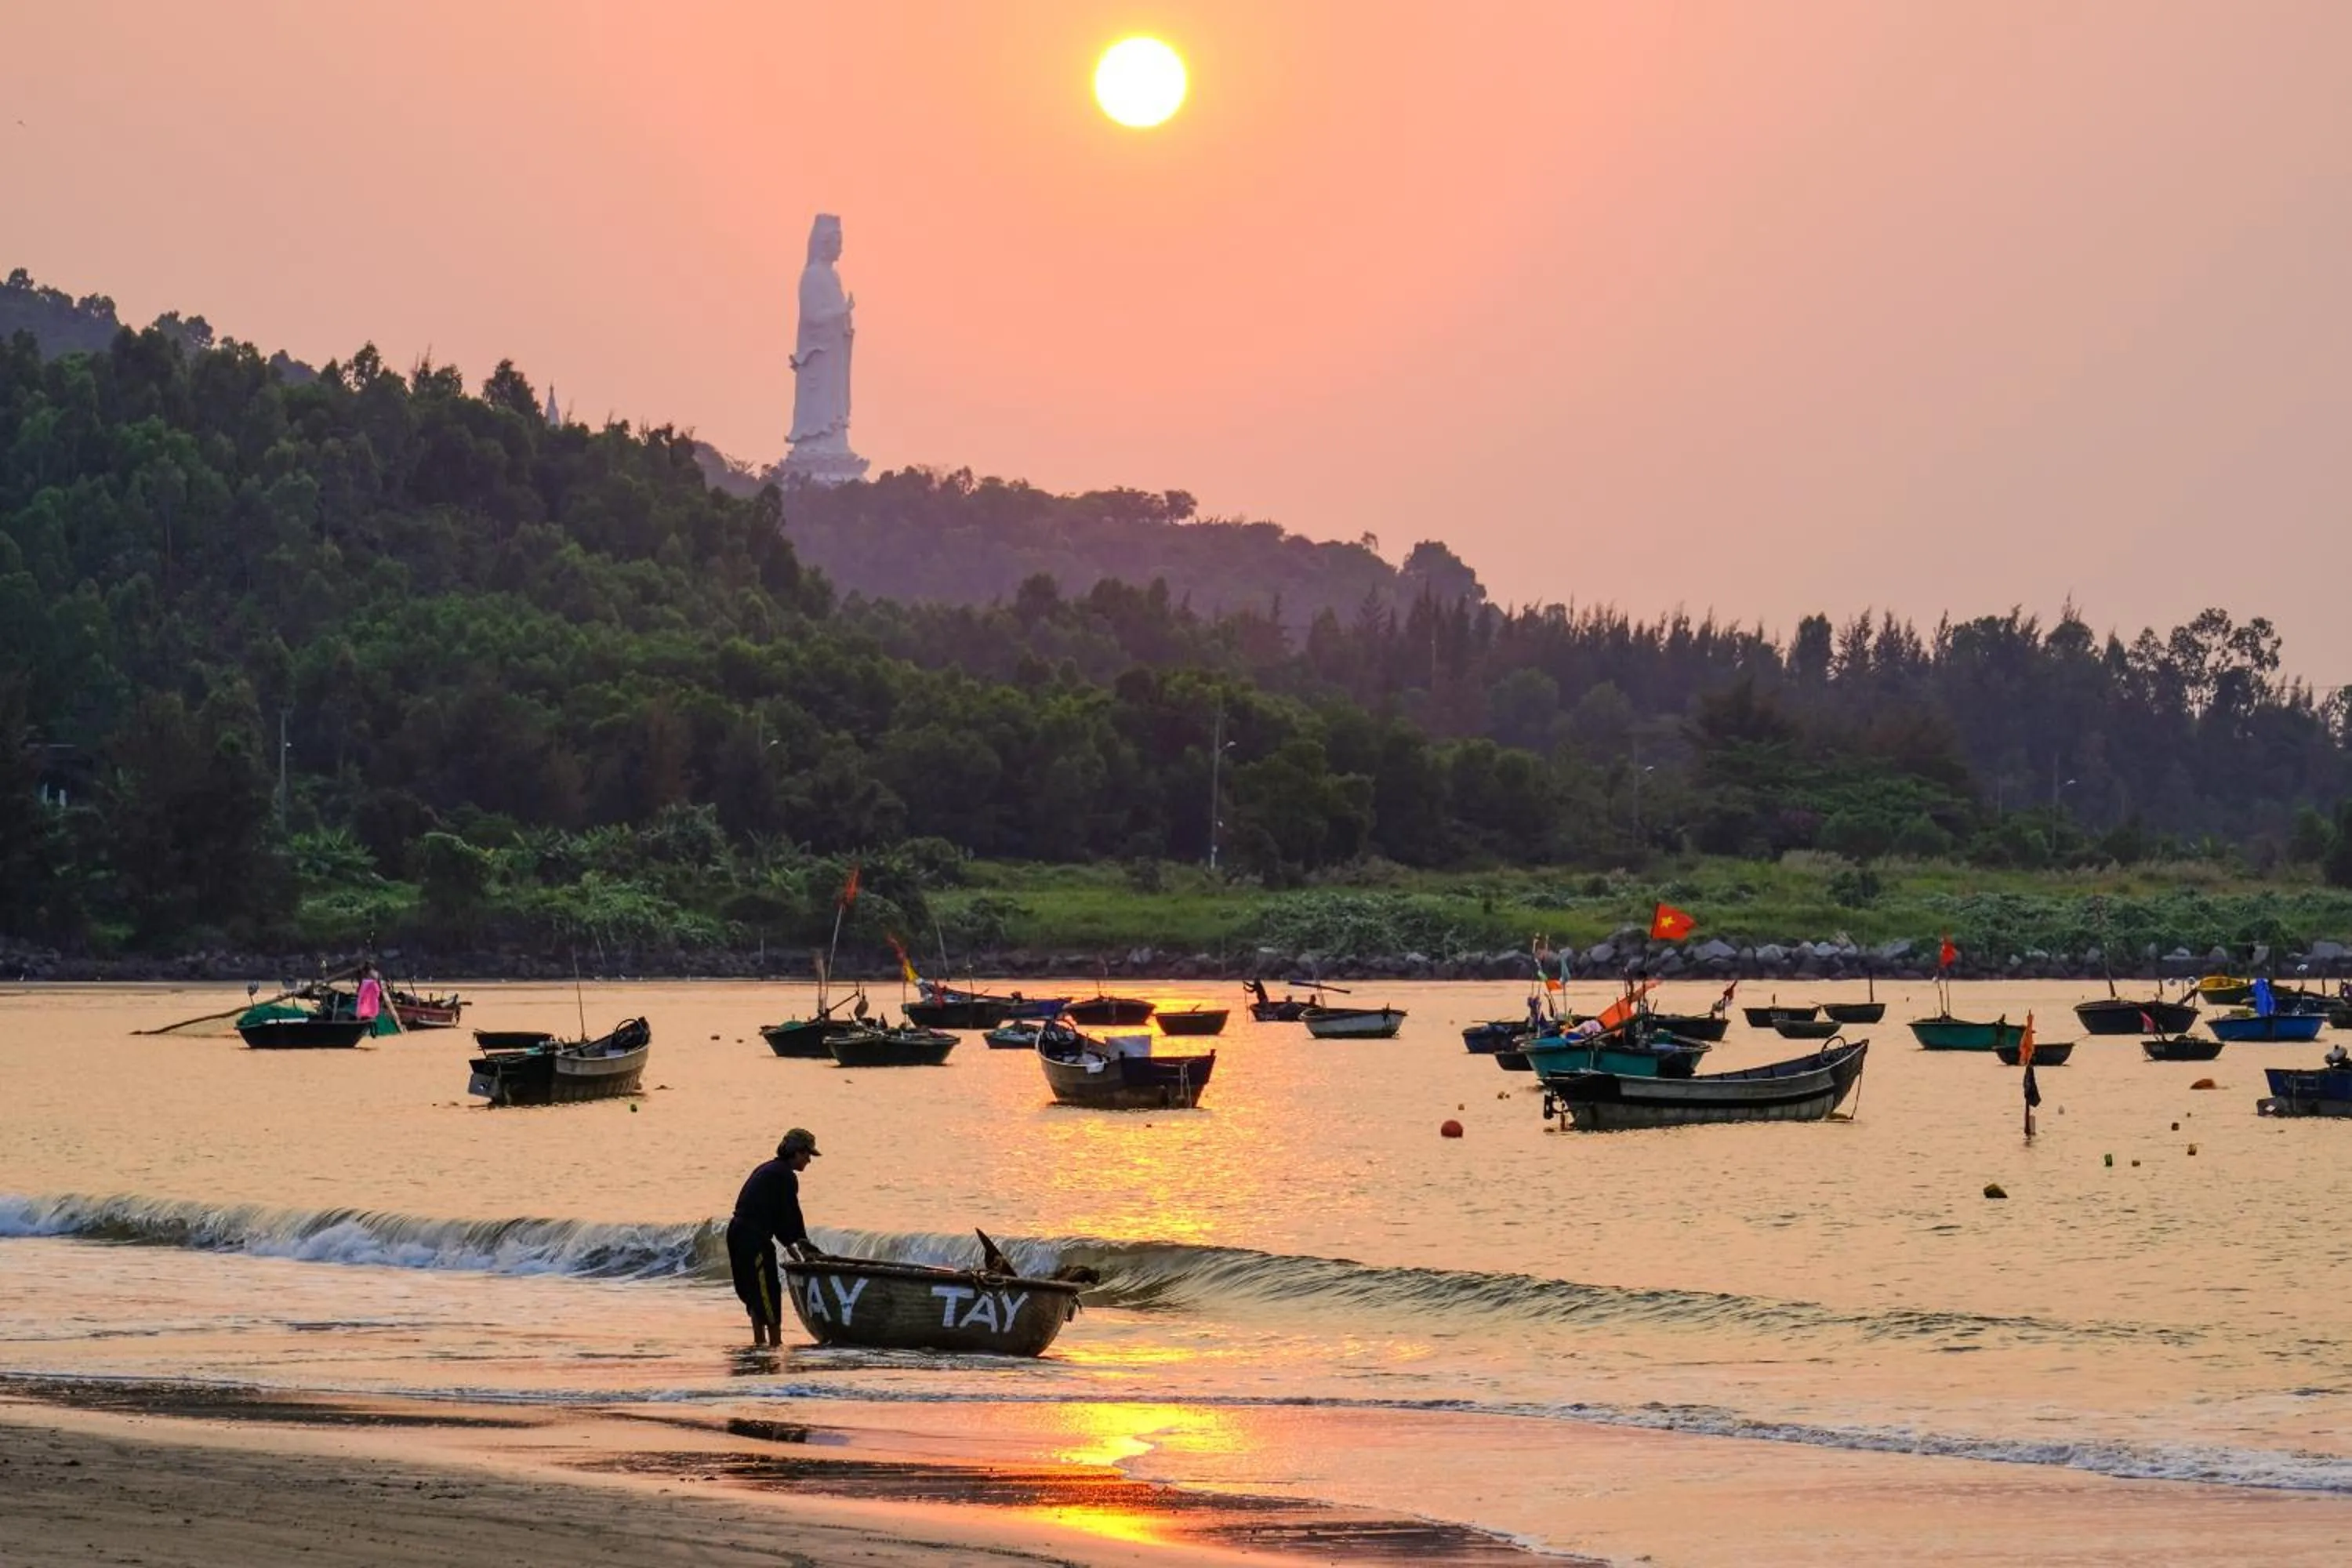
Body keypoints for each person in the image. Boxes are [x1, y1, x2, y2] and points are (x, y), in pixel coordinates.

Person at [728, 1128, 826, 1348]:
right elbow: (791, 1214)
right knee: (768, 1292)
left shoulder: (769, 1169)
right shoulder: (784, 1176)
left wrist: (794, 1246)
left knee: (754, 1292)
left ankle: (760, 1343)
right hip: (752, 1238)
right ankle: (774, 1344)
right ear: (796, 1152)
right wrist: (802, 1243)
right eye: (807, 1155)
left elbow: (779, 1220)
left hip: (738, 1233)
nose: (809, 1160)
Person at [354, 963, 383, 1027]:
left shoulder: (366, 976)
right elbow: (379, 983)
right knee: (371, 1006)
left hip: (367, 990)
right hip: (373, 991)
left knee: (365, 1006)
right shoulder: (376, 974)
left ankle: (364, 1021)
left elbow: (361, 985)